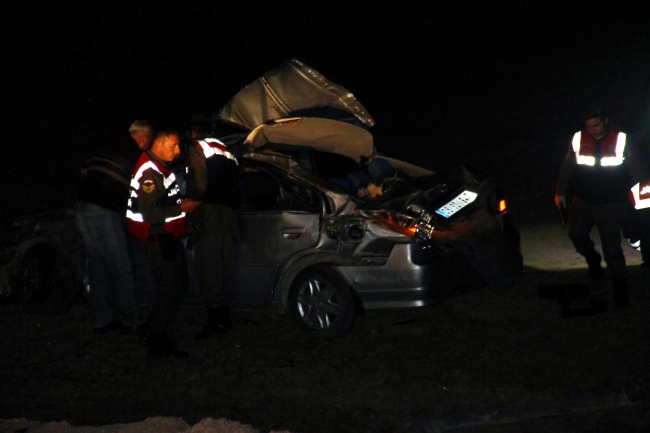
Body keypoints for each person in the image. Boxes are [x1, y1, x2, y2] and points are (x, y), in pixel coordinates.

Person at [126, 127, 201, 357]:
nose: (177, 151)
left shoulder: (157, 165)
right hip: (157, 238)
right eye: (173, 146)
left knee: (174, 286)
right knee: (171, 289)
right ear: (158, 144)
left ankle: (151, 330)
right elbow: (149, 212)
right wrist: (181, 208)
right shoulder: (150, 171)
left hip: (164, 237)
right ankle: (158, 342)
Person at [74, 120, 153, 335]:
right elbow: (140, 188)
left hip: (82, 208)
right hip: (104, 210)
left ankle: (103, 321)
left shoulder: (106, 146)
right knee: (121, 267)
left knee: (98, 267)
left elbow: (83, 173)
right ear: (143, 138)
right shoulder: (133, 152)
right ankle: (132, 320)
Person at [555, 106, 632, 309]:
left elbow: (637, 167)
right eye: (588, 126)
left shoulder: (622, 138)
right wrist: (560, 192)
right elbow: (568, 165)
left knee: (612, 248)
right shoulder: (578, 138)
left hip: (612, 201)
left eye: (596, 125)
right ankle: (596, 270)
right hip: (583, 199)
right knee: (576, 233)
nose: (592, 130)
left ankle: (620, 293)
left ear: (605, 121)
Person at [185, 114, 242, 340]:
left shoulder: (197, 147)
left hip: (209, 212)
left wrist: (188, 205)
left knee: (209, 267)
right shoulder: (227, 150)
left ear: (194, 132)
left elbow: (198, 184)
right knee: (225, 266)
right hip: (229, 214)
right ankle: (225, 316)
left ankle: (214, 319)